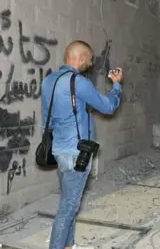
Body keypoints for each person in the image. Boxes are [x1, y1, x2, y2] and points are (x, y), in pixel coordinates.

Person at [42, 41, 123, 249]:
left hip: (59, 151)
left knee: (69, 203)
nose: (89, 64)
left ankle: (68, 245)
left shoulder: (49, 81)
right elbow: (108, 106)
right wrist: (116, 85)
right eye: (88, 59)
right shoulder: (78, 82)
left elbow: (47, 121)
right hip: (77, 153)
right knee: (68, 208)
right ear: (80, 58)